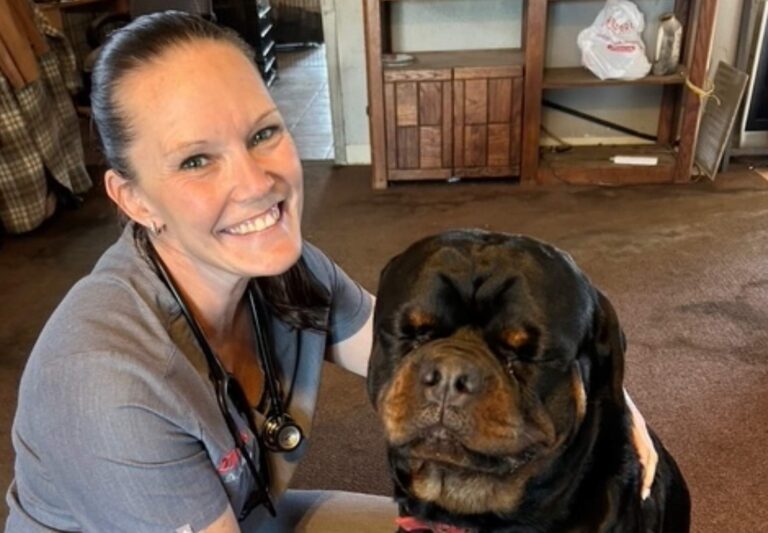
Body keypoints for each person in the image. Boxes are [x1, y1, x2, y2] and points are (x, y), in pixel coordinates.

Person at [5, 11, 658, 533]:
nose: (255, 184)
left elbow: (397, 342)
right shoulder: (106, 384)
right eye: (196, 160)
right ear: (134, 199)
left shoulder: (282, 271)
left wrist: (607, 392)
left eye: (262, 134)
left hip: (249, 515)